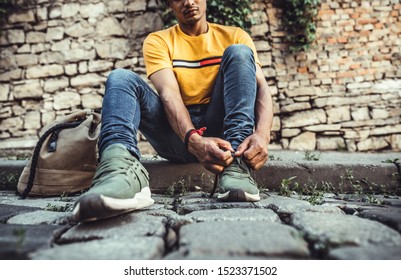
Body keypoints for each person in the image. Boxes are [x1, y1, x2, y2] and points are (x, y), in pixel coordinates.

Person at [72, 0, 273, 222]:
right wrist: (192, 139)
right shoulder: (159, 40)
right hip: (174, 135)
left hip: (221, 134)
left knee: (239, 52)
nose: (188, 2)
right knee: (121, 78)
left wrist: (263, 134)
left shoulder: (235, 35)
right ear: (170, 5)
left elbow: (262, 88)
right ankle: (119, 169)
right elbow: (169, 94)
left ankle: (237, 166)